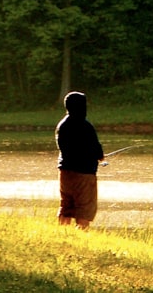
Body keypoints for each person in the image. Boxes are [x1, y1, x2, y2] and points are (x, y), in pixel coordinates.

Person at [55, 91, 104, 230]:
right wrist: (100, 156)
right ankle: (82, 235)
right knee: (84, 208)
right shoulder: (86, 126)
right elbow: (97, 151)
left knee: (66, 205)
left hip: (64, 172)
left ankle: (62, 233)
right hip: (84, 174)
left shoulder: (62, 125)